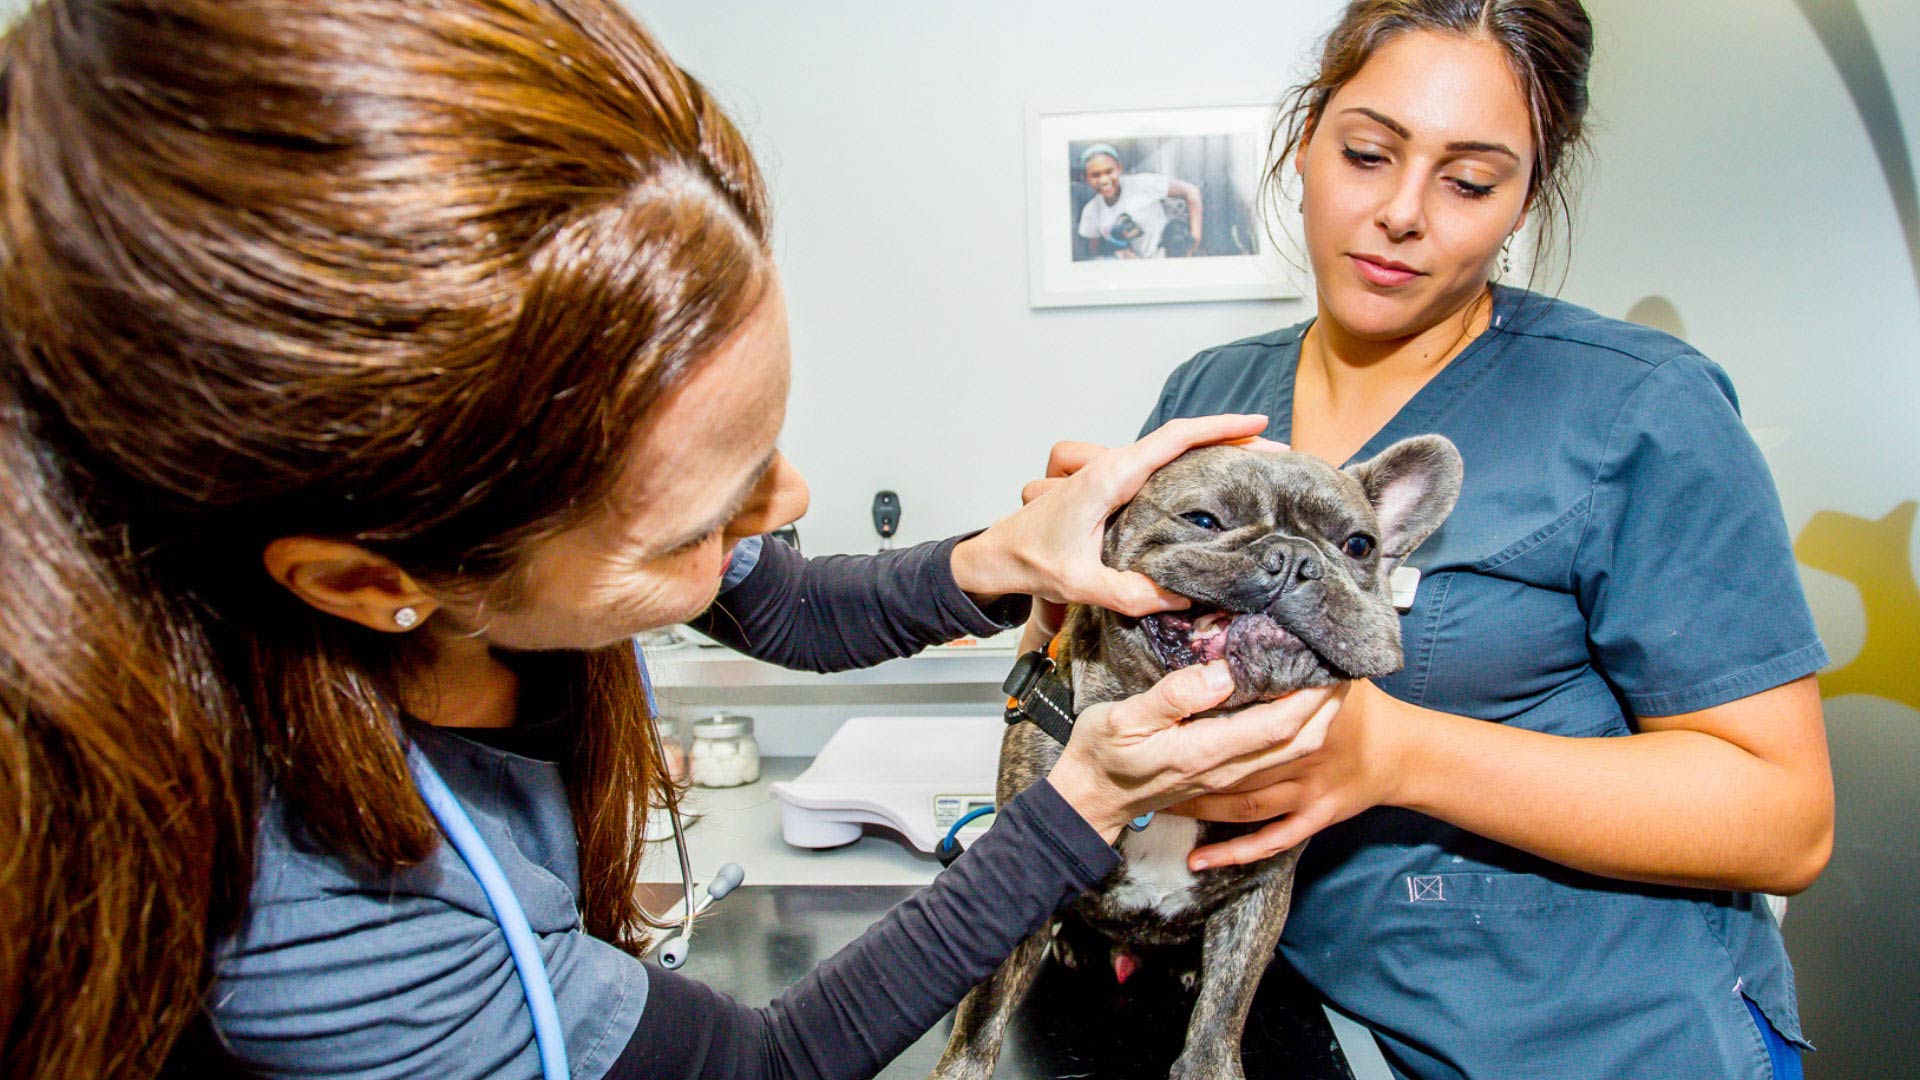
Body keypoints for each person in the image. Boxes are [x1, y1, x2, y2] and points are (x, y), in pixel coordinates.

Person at [0, 2, 1342, 1078]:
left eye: (763, 449)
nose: (786, 498)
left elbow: (788, 610)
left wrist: (1002, 554)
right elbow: (756, 1066)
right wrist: (1081, 809)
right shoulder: (311, 915)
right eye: (708, 516)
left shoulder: (531, 519)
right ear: (369, 581)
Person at [1066, 2, 1831, 1077]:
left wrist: (1400, 756)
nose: (1401, 214)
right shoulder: (1212, 396)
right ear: (1304, 141)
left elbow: (1784, 820)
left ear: (1528, 195)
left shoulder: (1640, 409)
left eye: (1470, 181)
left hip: (1596, 1039)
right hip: (1311, 1028)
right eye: (1368, 153)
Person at [1075, 142, 1205, 259]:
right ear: (1086, 178)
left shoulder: (1142, 184)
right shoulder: (1091, 211)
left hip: (1168, 258)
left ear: (1119, 168)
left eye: (1109, 171)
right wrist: (1116, 254)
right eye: (1095, 175)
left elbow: (1191, 192)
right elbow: (1095, 252)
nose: (1104, 180)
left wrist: (1195, 237)